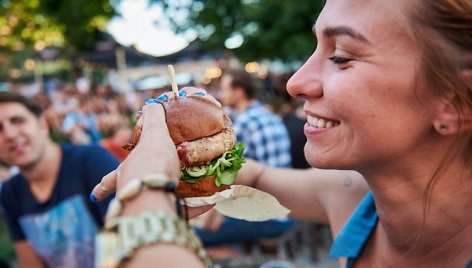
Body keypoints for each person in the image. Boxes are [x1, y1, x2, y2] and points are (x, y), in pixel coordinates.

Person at [91, 0, 472, 267]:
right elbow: (255, 175)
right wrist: (197, 166)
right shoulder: (355, 201)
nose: (295, 82)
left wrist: (144, 189)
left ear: (456, 103)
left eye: (340, 56)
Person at [0, 92, 119, 267]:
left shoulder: (91, 160)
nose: (9, 134)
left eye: (18, 121)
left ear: (43, 124)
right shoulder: (11, 193)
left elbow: (128, 240)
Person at [195, 69, 294, 249]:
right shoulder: (269, 116)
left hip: (265, 216)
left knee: (194, 236)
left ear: (238, 92)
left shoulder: (244, 123)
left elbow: (229, 181)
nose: (221, 94)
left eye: (225, 89)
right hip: (287, 208)